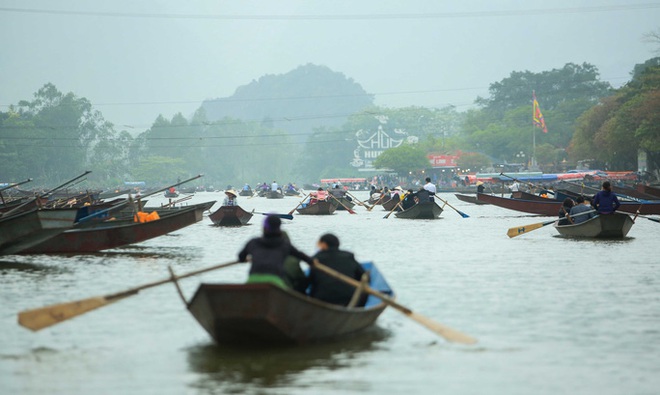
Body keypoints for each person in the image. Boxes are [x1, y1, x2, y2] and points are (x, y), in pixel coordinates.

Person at [238, 215, 314, 288]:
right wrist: (312, 261)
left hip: (253, 280)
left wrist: (246, 259)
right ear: (279, 228)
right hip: (275, 281)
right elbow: (303, 257)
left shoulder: (253, 242)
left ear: (264, 228)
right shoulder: (284, 245)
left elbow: (241, 257)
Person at [310, 234, 367, 306]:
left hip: (322, 299)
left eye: (319, 244)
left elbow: (311, 282)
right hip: (348, 299)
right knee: (364, 288)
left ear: (324, 244)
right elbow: (363, 276)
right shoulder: (348, 256)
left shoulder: (316, 259)